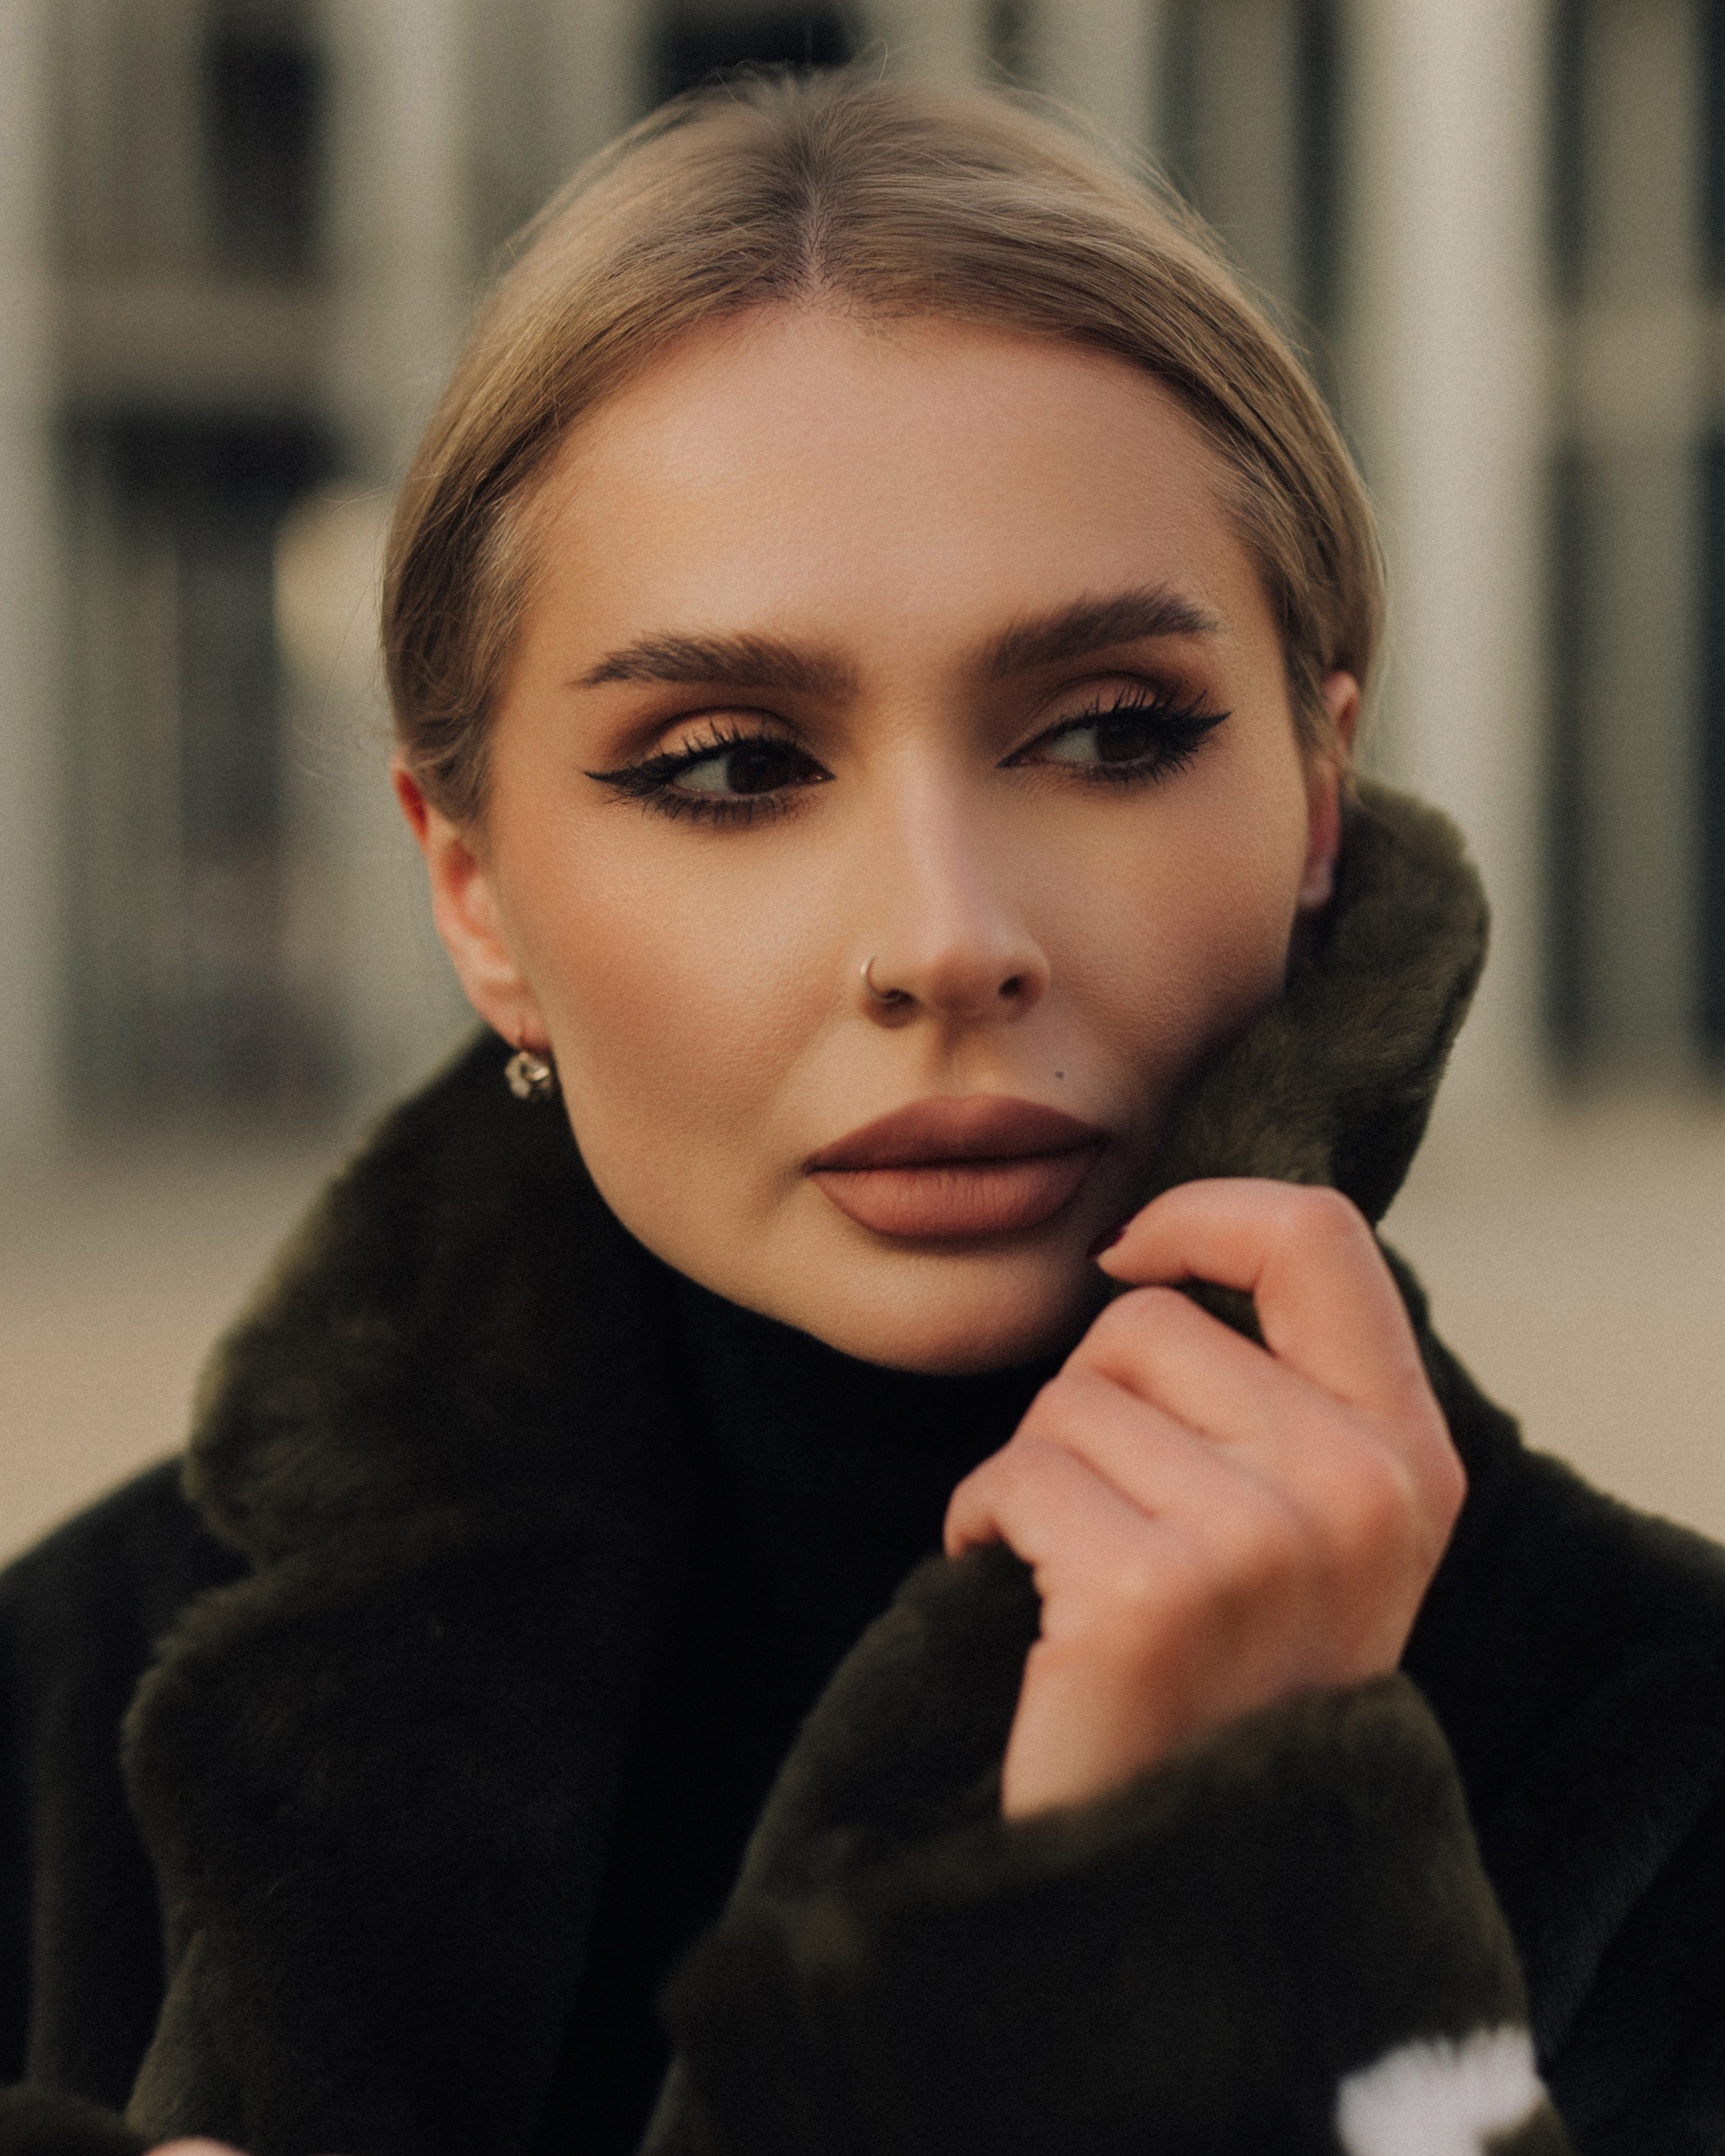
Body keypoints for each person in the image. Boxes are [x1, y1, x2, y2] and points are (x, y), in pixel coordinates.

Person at [0, 68, 1720, 2156]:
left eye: (1107, 731)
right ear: (477, 896)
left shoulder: (1657, 1745)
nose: (943, 937)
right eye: (729, 765)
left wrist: (1216, 1924)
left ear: (1316, 798)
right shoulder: (82, 1701)